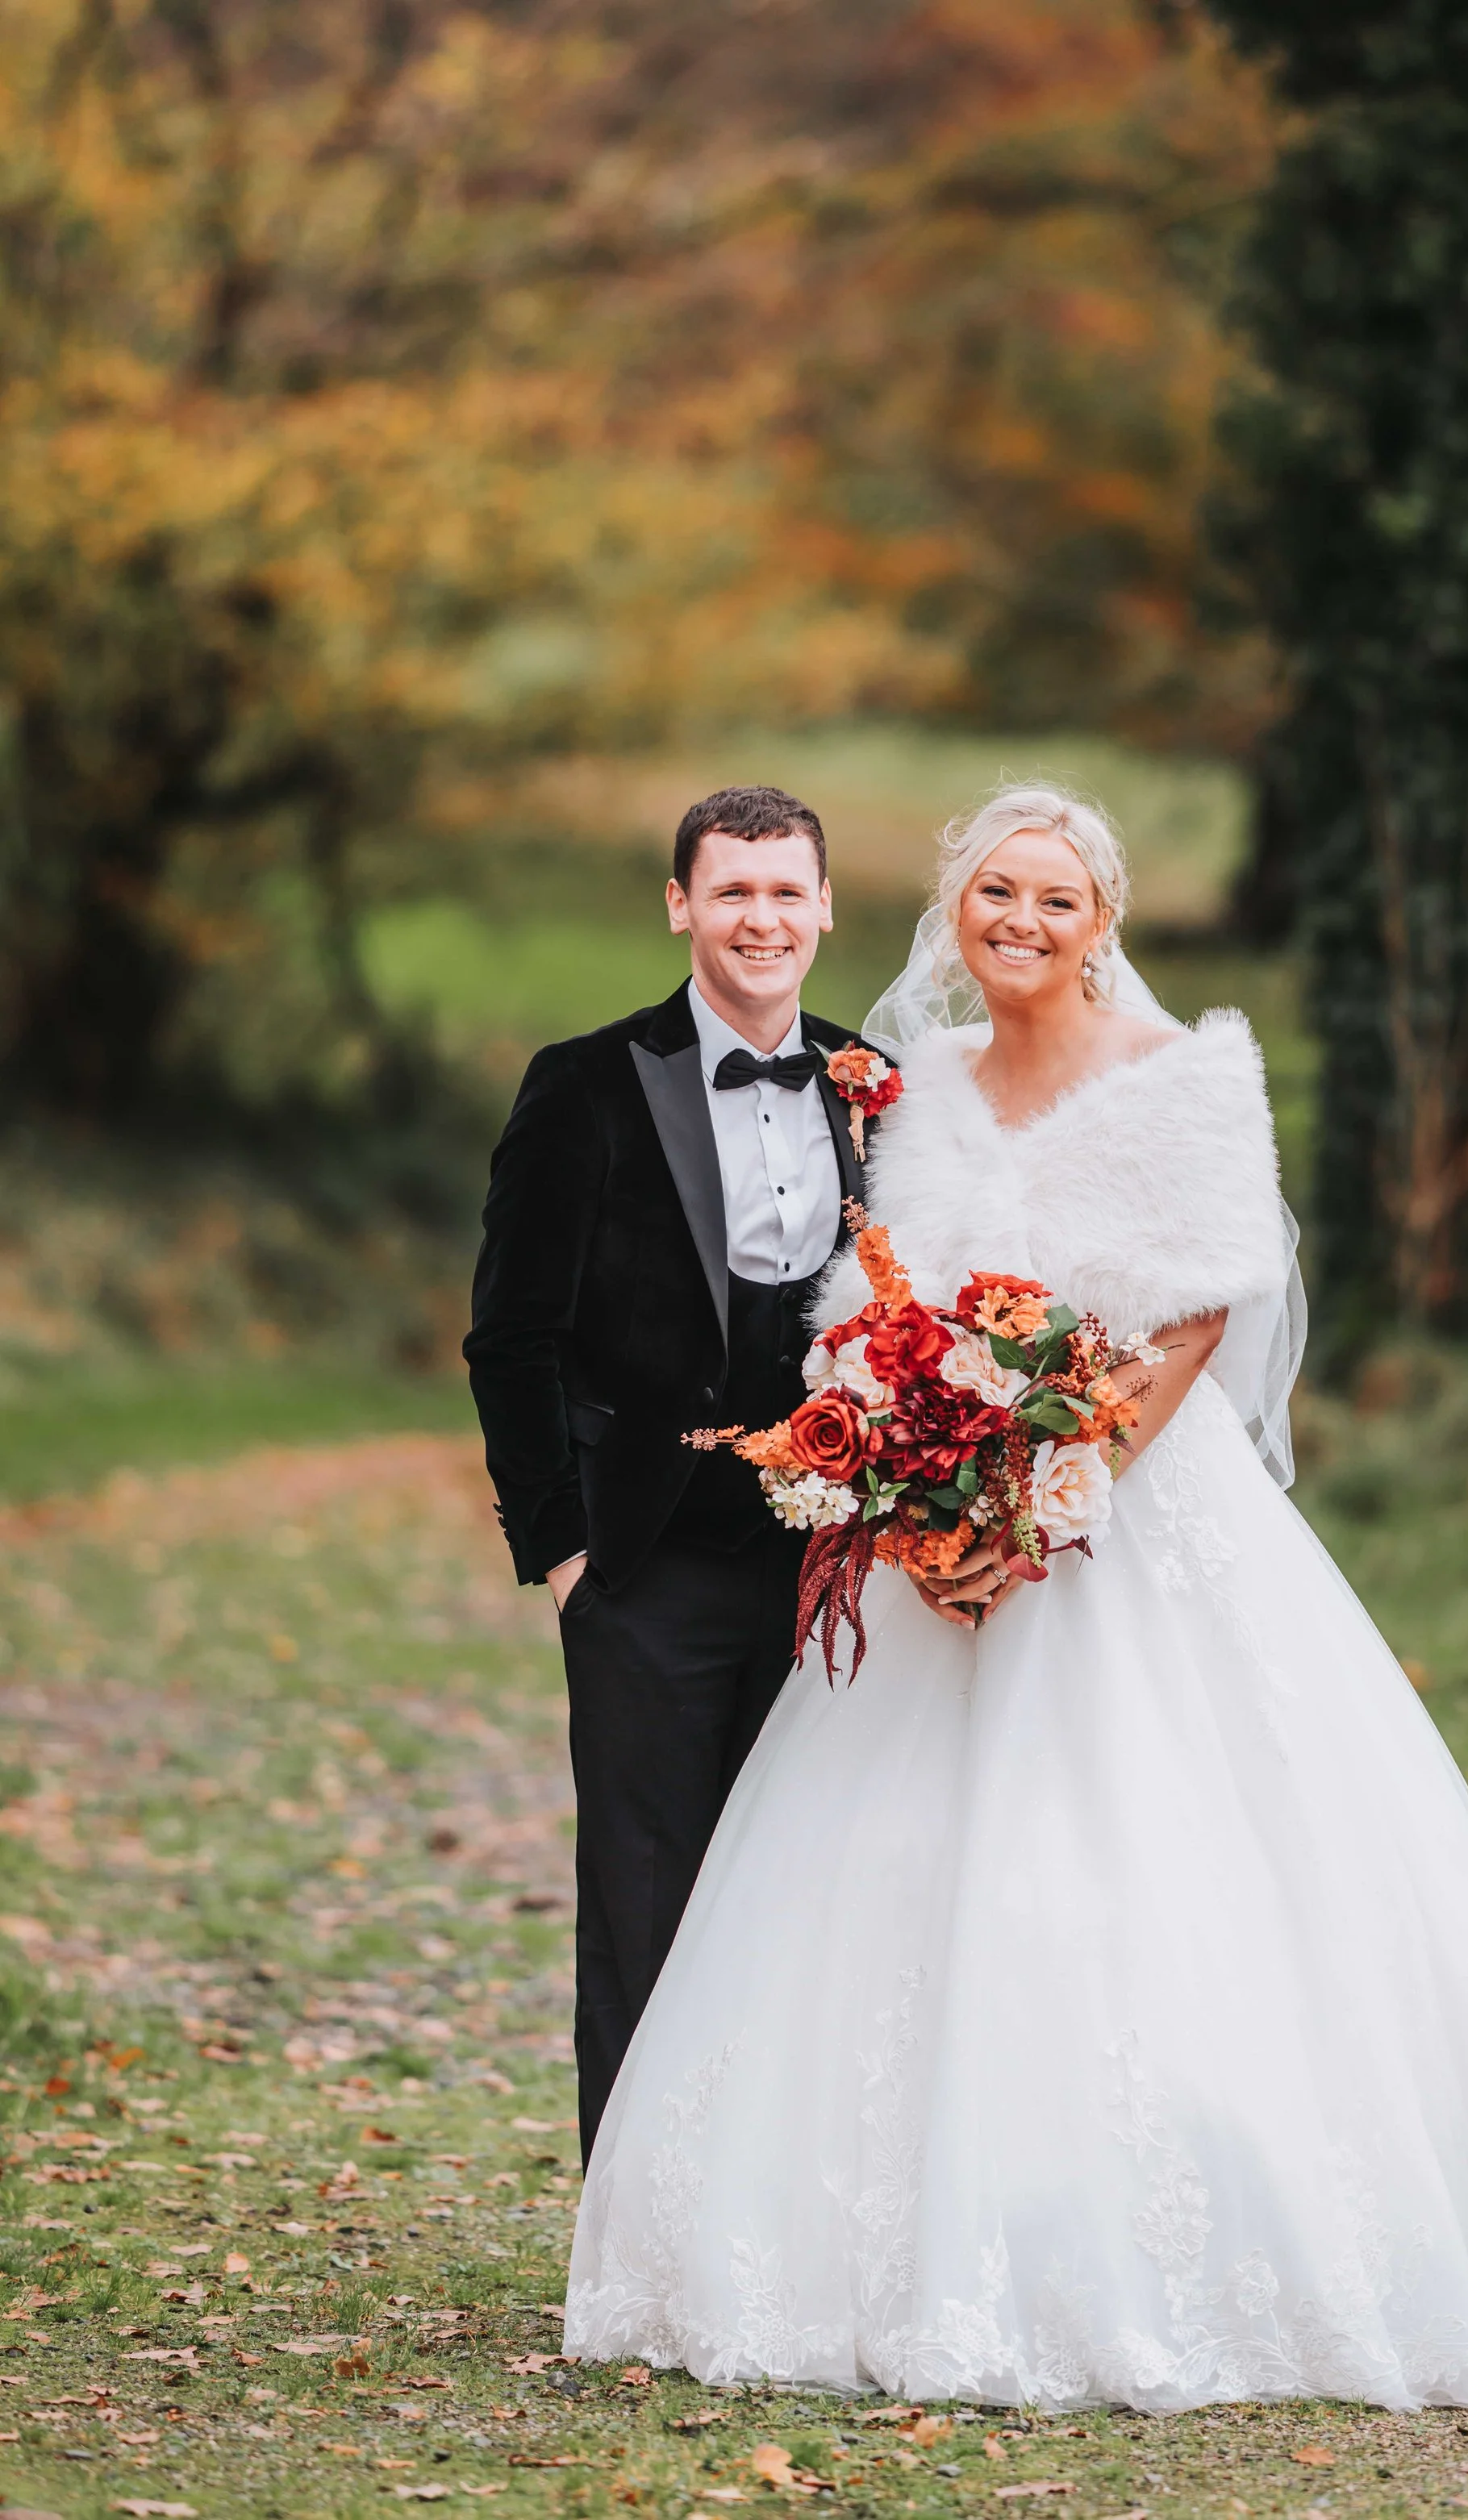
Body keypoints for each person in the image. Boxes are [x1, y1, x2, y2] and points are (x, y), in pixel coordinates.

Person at [564, 781, 1468, 2409]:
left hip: (1132, 1512)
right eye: (991, 894)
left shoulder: (1185, 1081)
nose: (1018, 921)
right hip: (947, 1545)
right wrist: (923, 1505)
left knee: (1160, 1867)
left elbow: (1194, 1314)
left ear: (1100, 916)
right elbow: (875, 1302)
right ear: (950, 916)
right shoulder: (926, 1094)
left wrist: (1050, 1494)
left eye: (1051, 896)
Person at [465, 785, 893, 2164]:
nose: (760, 920)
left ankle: (784, 2211)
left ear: (825, 907)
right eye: (733, 892)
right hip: (643, 1558)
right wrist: (566, 1547)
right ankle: (634, 2238)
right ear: (680, 906)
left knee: (812, 1894)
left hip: (829, 1565)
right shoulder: (586, 1083)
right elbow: (510, 1334)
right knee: (645, 1898)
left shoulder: (875, 1087)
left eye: (786, 893)